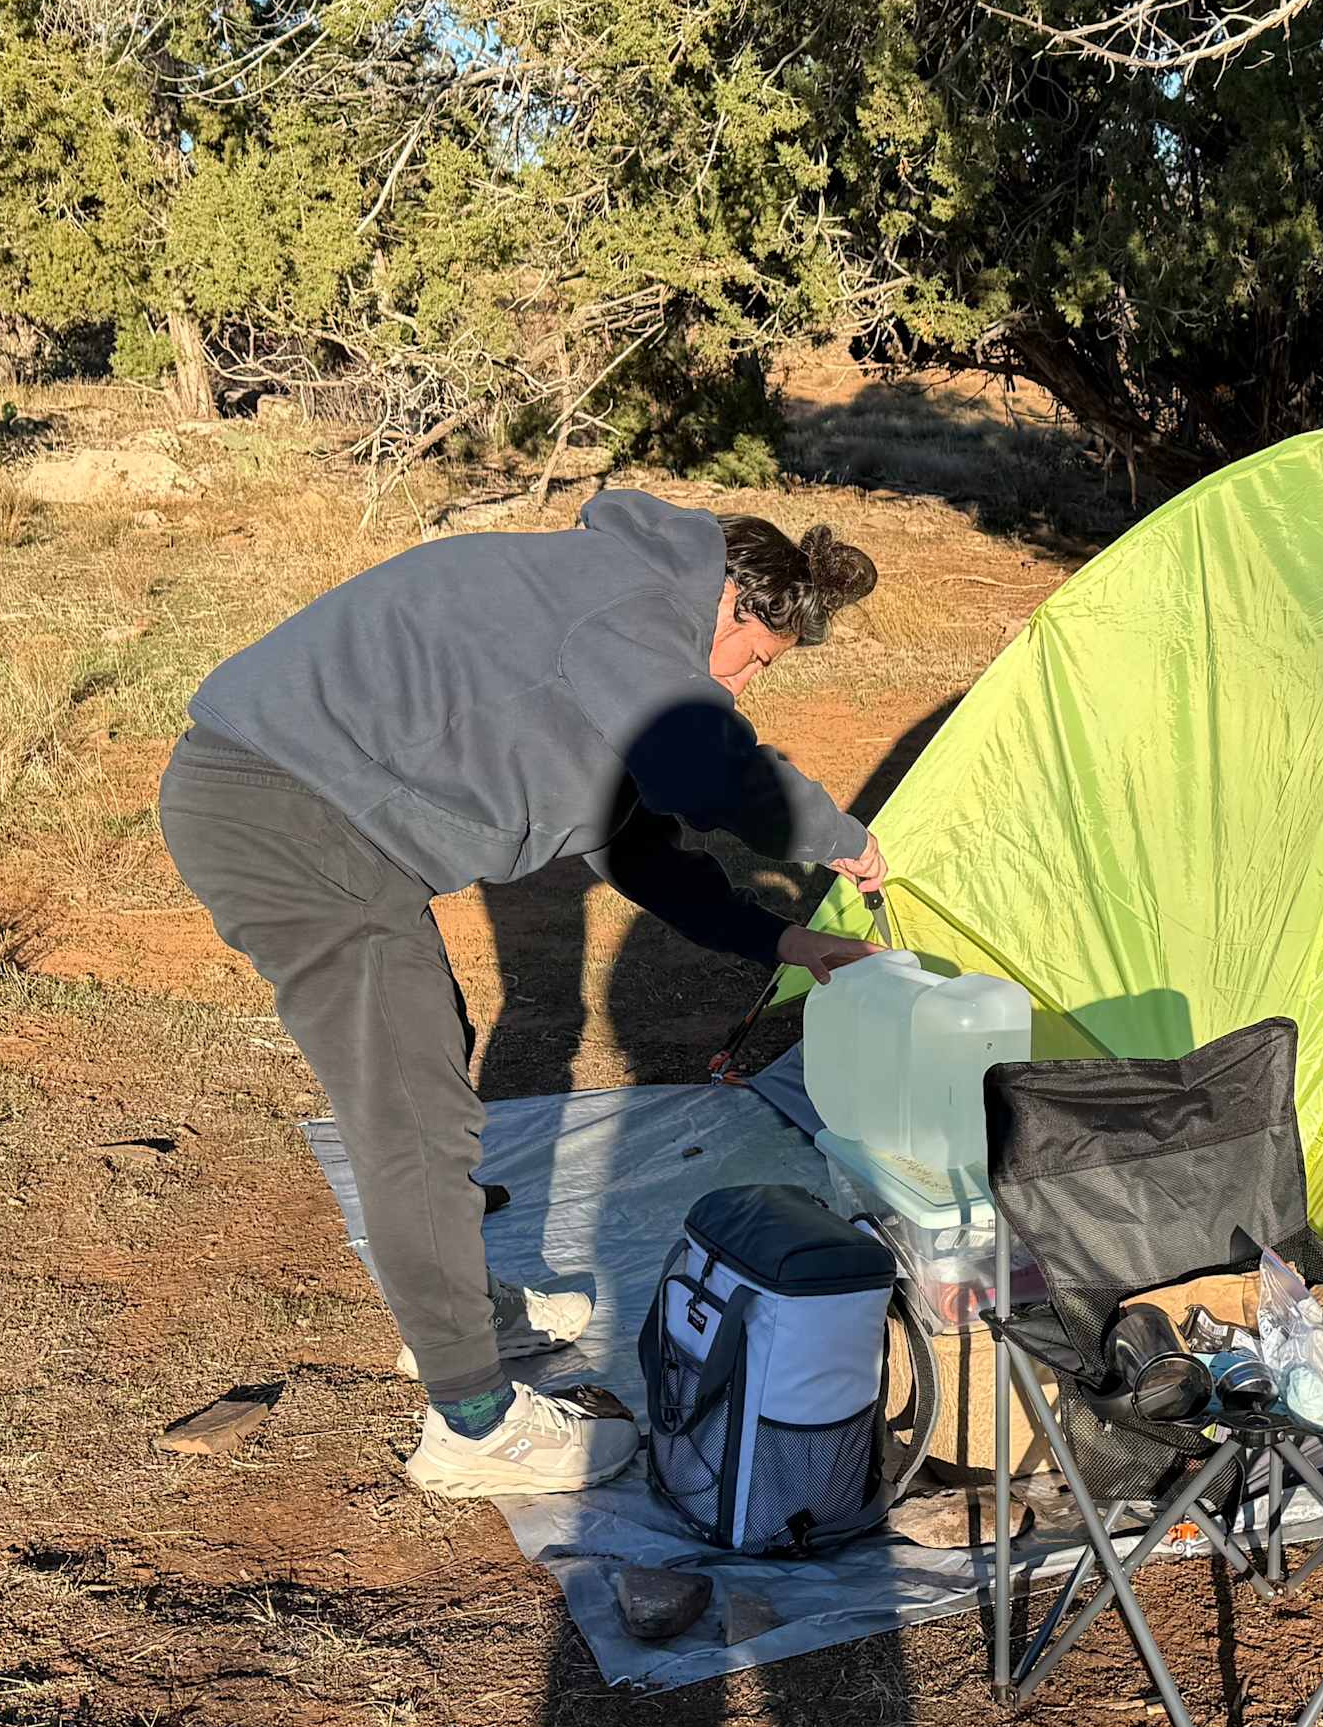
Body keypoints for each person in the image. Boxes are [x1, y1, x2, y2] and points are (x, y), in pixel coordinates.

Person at [160, 488, 886, 1496]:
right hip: (287, 814)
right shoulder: (632, 603)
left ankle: (464, 1304)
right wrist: (840, 839)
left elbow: (639, 847)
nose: (744, 685)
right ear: (733, 603)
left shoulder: (614, 624)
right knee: (415, 1115)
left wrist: (785, 939)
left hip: (309, 810)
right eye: (756, 660)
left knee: (431, 1045)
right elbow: (711, 771)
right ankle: (473, 1421)